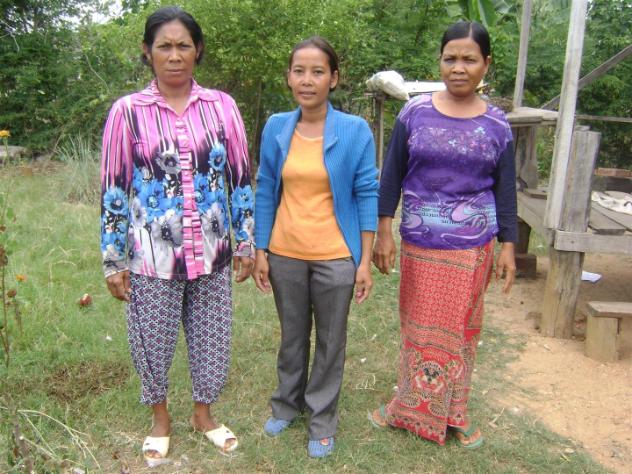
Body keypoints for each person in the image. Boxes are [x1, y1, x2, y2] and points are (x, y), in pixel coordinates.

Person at [100, 6, 254, 466]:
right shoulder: (127, 112)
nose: (174, 55)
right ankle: (160, 419)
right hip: (151, 255)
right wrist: (113, 258)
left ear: (197, 50)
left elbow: (240, 177)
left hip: (212, 250)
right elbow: (113, 187)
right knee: (152, 338)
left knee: (211, 336)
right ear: (147, 51)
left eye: (183, 45)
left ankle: (203, 416)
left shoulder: (222, 106)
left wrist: (245, 242)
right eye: (164, 46)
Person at [369, 21, 517, 449]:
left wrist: (509, 245)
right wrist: (384, 231)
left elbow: (505, 189)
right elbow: (392, 175)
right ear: (440, 61)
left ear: (486, 64)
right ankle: (406, 405)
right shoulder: (414, 113)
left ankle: (456, 413)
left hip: (472, 250)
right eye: (450, 58)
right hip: (420, 245)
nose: (458, 67)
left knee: (461, 332)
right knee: (418, 328)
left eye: (469, 59)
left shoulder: (497, 124)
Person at [252, 36, 378, 458]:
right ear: (289, 77)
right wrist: (261, 249)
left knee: (330, 341)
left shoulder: (355, 130)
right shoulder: (276, 127)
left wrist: (364, 260)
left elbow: (366, 191)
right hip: (285, 252)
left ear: (333, 79)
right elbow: (266, 187)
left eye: (318, 72)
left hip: (336, 258)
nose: (307, 80)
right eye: (299, 71)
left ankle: (321, 419)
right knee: (292, 336)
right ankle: (286, 404)